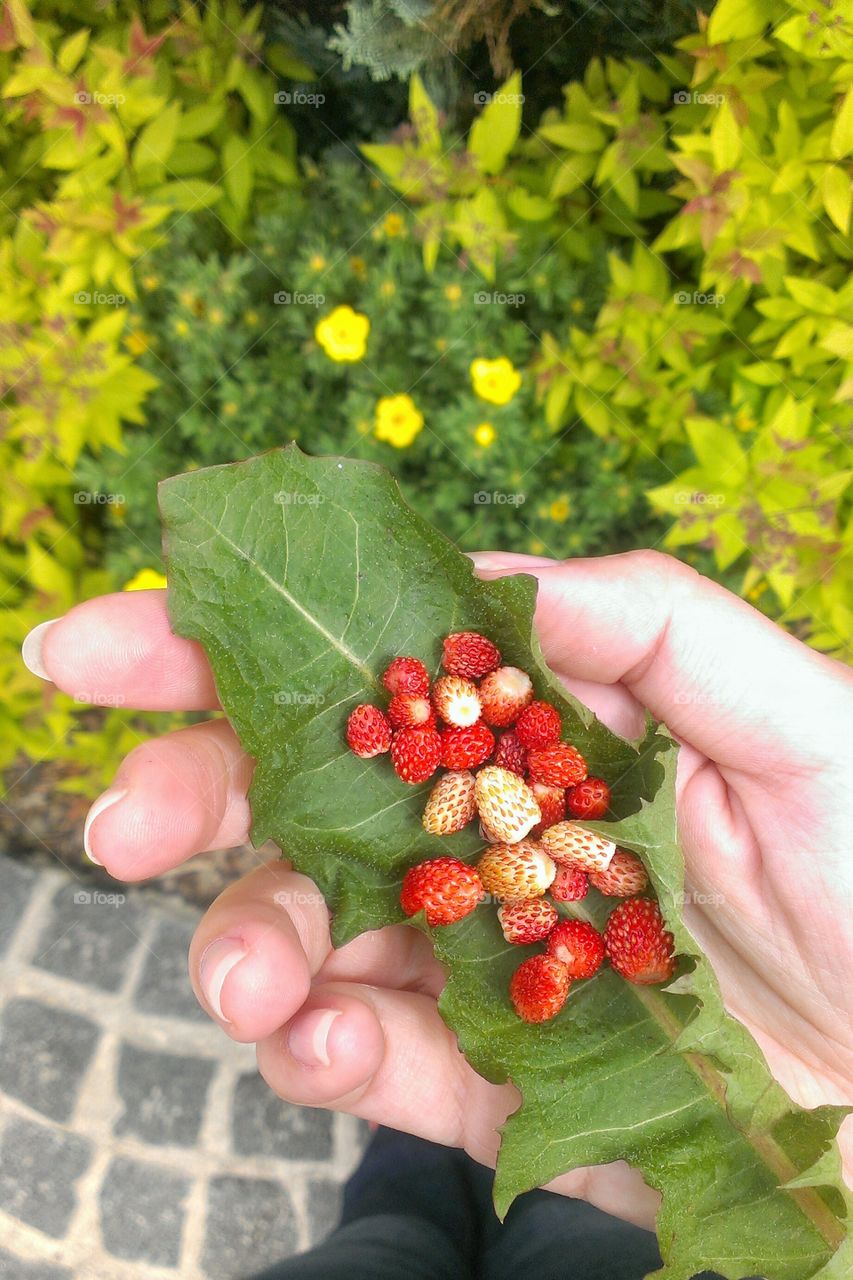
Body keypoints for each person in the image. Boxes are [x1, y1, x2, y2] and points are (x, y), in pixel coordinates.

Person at [22, 550, 853, 1278]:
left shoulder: (525, 827)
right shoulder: (513, 802)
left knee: (390, 1238)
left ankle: (416, 1175)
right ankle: (449, 1166)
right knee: (554, 1233)